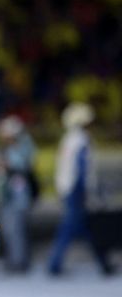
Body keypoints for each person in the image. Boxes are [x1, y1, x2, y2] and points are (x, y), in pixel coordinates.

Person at [48, 103, 113, 276]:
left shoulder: (69, 139)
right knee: (72, 227)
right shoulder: (82, 140)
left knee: (85, 227)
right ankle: (54, 264)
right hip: (77, 190)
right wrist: (89, 192)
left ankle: (103, 262)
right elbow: (82, 169)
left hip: (68, 188)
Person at [0, 115, 37, 273]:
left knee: (16, 230)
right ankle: (14, 260)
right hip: (8, 197)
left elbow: (21, 166)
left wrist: (6, 165)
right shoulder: (9, 149)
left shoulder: (22, 148)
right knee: (9, 230)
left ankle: (18, 263)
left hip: (18, 198)